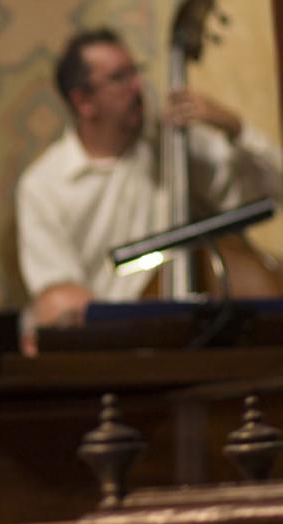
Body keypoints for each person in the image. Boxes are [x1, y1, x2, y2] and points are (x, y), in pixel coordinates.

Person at [16, 27, 283, 337]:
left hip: (206, 332)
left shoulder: (174, 148)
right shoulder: (44, 184)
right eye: (119, 78)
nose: (138, 86)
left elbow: (275, 188)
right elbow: (60, 294)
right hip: (114, 342)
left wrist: (235, 128)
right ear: (83, 102)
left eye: (136, 72)